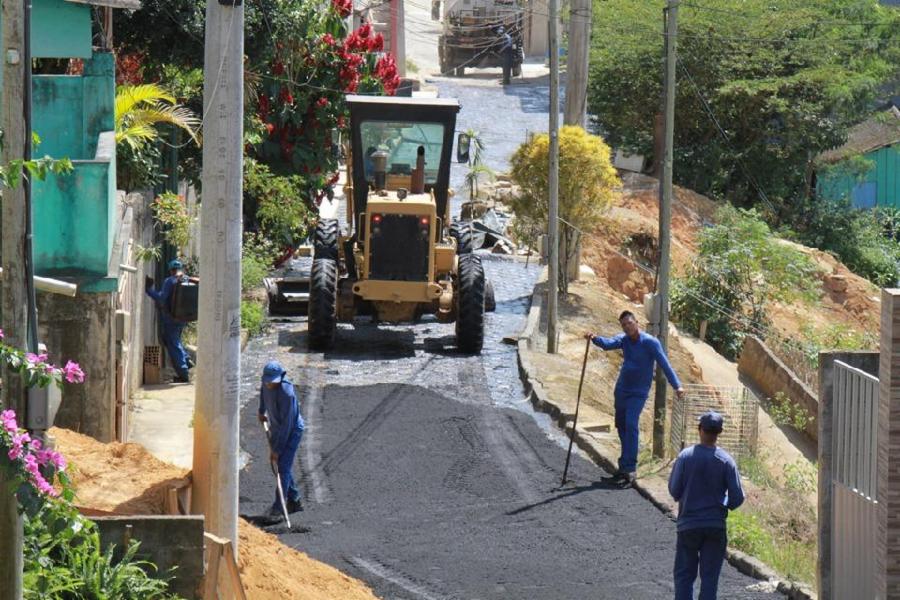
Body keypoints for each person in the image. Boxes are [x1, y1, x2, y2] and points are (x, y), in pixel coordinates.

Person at [584, 310, 684, 485]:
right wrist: (594, 338)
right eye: (624, 325)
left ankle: (631, 469)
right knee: (621, 426)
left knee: (631, 424)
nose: (627, 327)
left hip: (638, 392)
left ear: (636, 322)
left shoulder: (651, 343)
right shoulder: (624, 340)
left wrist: (677, 386)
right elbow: (608, 344)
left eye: (630, 323)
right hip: (622, 390)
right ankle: (623, 467)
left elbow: (665, 364)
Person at [668, 411, 745, 600]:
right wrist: (722, 503)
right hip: (715, 526)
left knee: (684, 575)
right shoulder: (727, 461)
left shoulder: (685, 457)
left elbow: (674, 490)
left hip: (689, 525)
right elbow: (737, 498)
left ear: (700, 430)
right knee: (710, 578)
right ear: (719, 432)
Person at [257, 360, 305, 517]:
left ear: (281, 377)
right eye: (268, 382)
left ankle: (279, 507)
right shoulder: (265, 383)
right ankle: (295, 499)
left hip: (292, 431)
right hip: (276, 428)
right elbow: (263, 394)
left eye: (273, 382)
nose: (270, 385)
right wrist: (261, 410)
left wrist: (277, 449)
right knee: (282, 466)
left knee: (282, 468)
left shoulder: (286, 393)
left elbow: (287, 425)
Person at [145, 259, 191, 383]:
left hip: (171, 318)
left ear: (170, 270)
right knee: (175, 340)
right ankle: (186, 359)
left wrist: (149, 290)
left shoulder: (169, 281)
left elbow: (161, 298)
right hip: (183, 317)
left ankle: (183, 372)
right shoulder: (186, 279)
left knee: (173, 343)